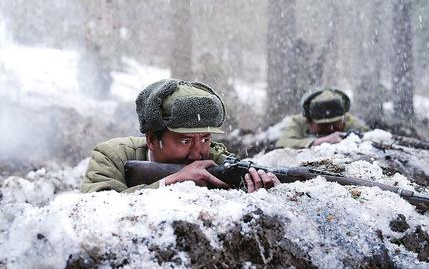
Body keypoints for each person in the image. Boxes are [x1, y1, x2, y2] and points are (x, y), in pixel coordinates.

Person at [81, 79, 279, 193]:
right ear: (152, 140)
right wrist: (169, 183)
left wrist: (258, 191)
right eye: (185, 140)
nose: (197, 154)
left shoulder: (214, 161)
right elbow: (94, 209)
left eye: (205, 139)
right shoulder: (111, 155)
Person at [276, 88, 369, 149]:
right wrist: (318, 142)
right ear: (309, 120)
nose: (330, 128)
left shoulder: (350, 121)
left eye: (334, 123)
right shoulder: (299, 122)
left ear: (343, 118)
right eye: (323, 125)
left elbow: (373, 137)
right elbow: (282, 143)